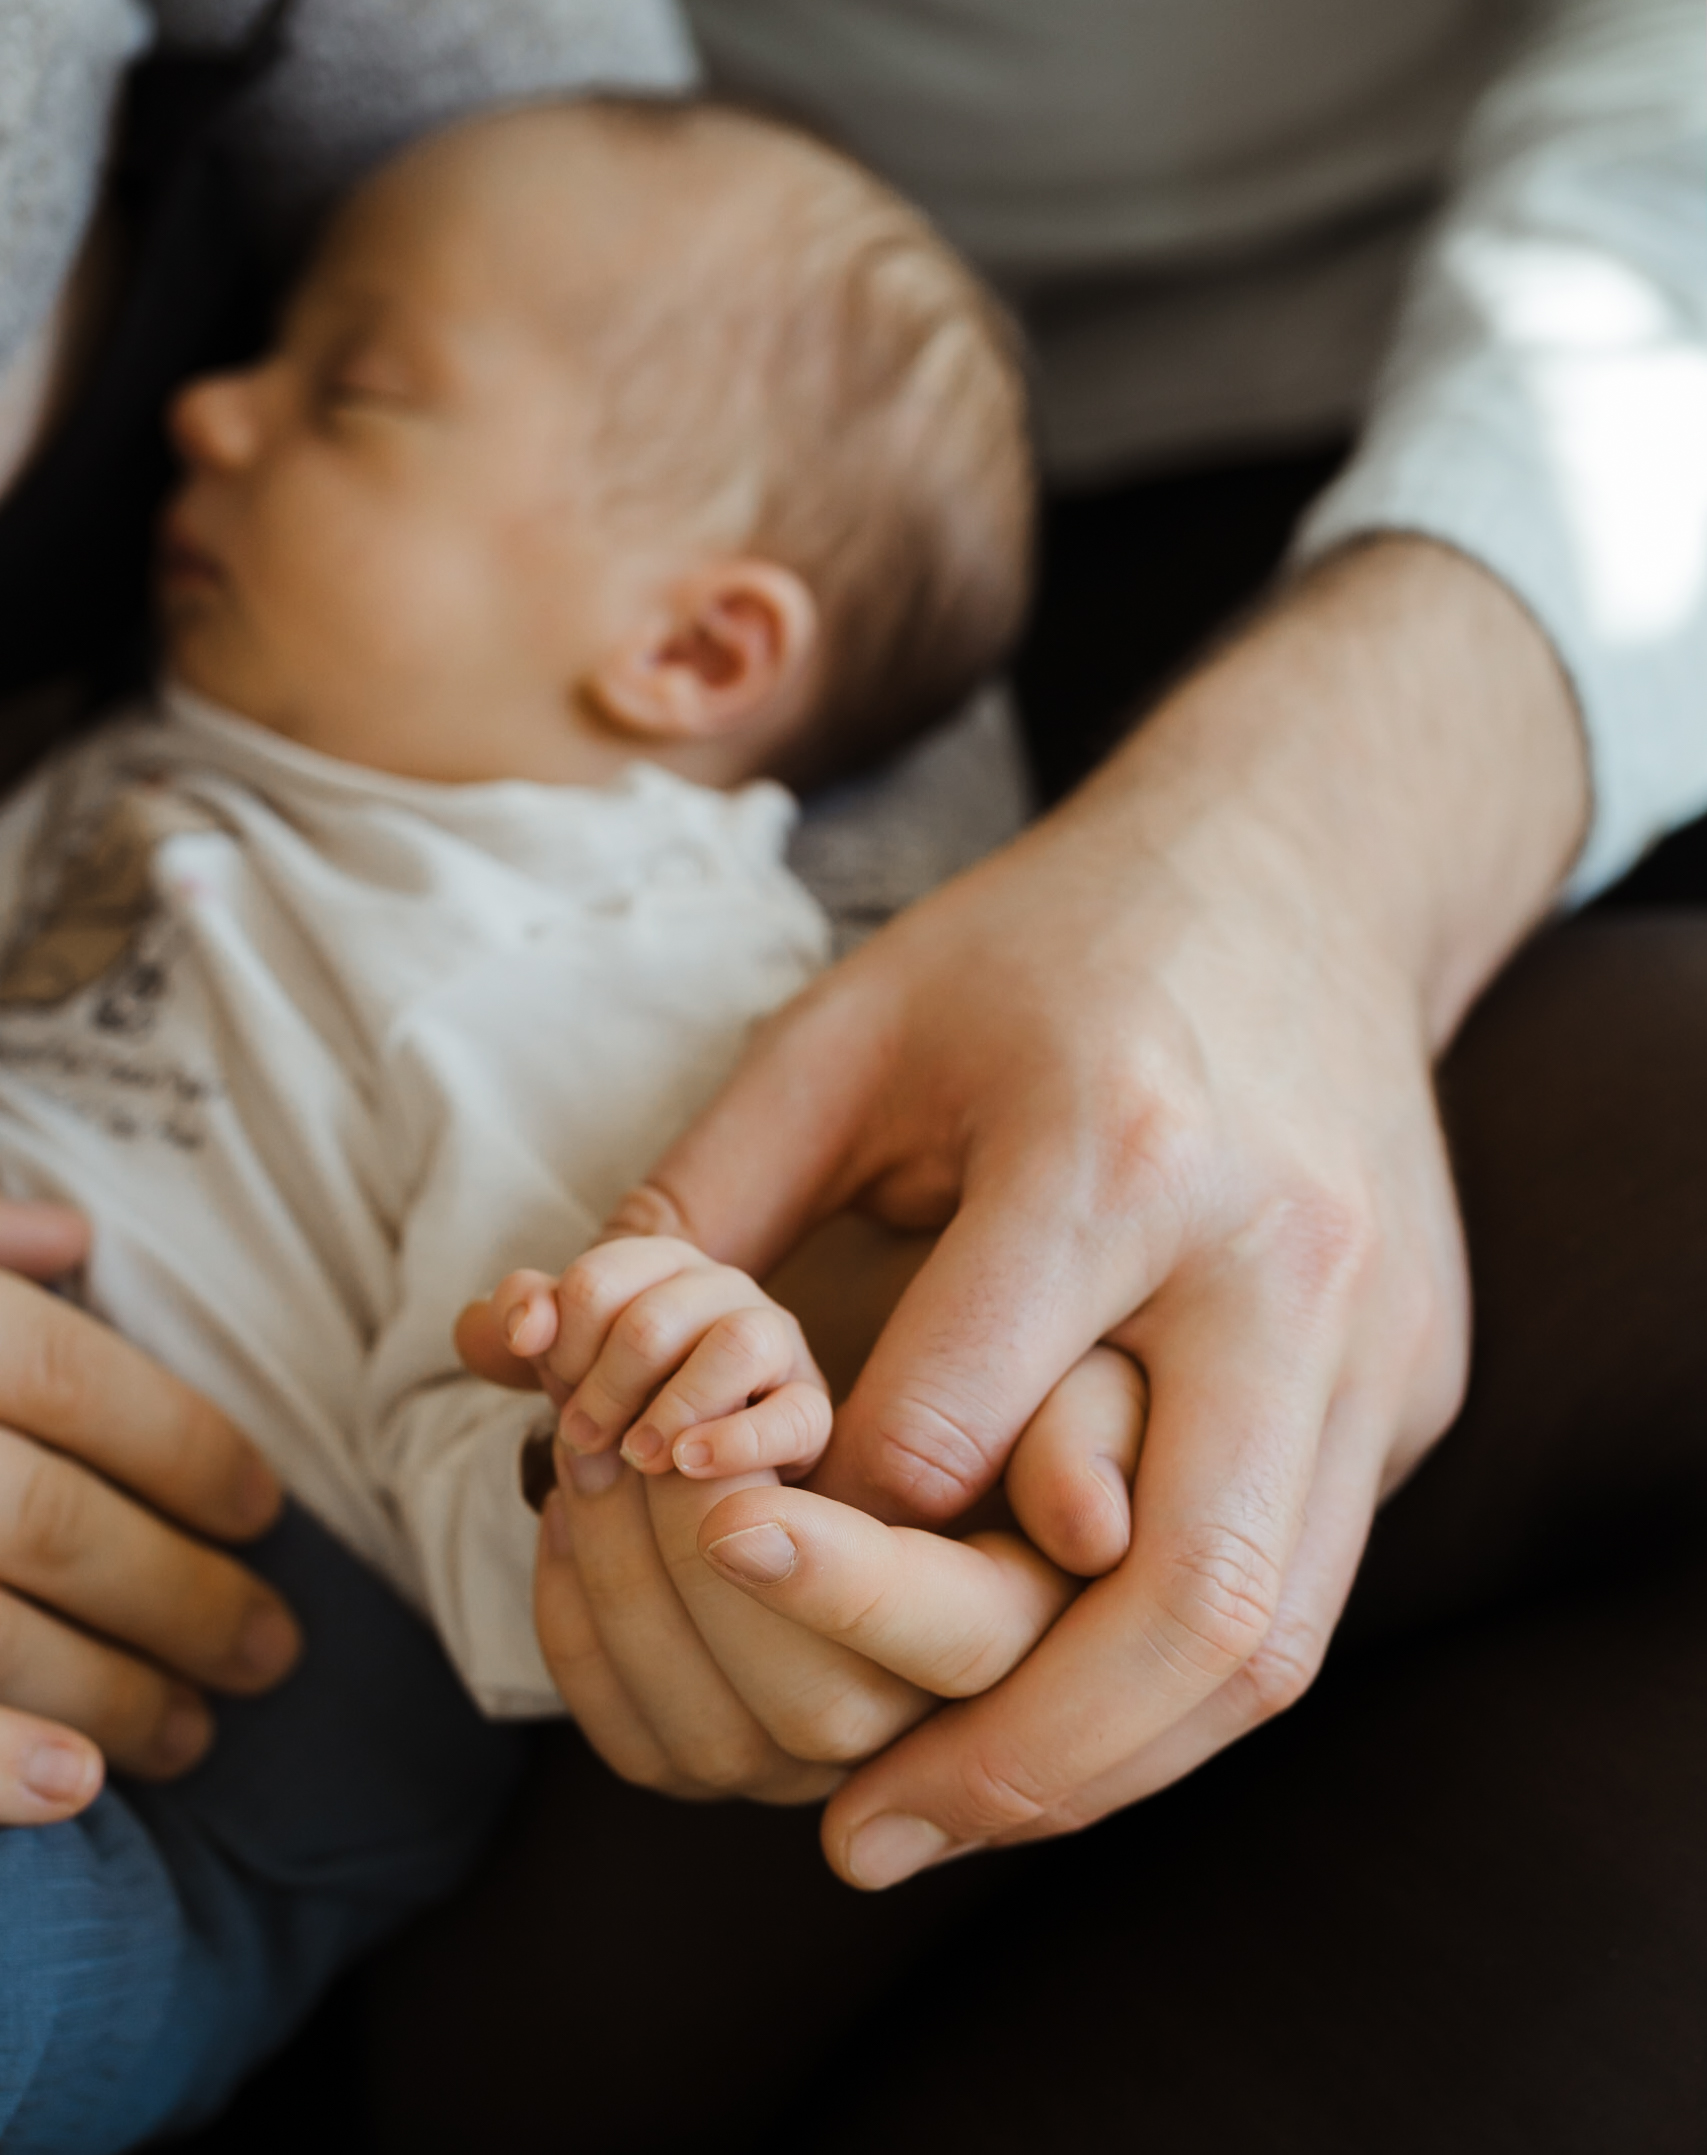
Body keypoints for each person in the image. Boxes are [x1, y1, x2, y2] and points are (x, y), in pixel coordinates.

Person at [0, 94, 1056, 2149]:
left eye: (356, 394)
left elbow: (510, 1512)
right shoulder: (159, 768)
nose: (208, 411)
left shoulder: (632, 974)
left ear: (691, 648)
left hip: (212, 1725)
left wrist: (673, 1415)